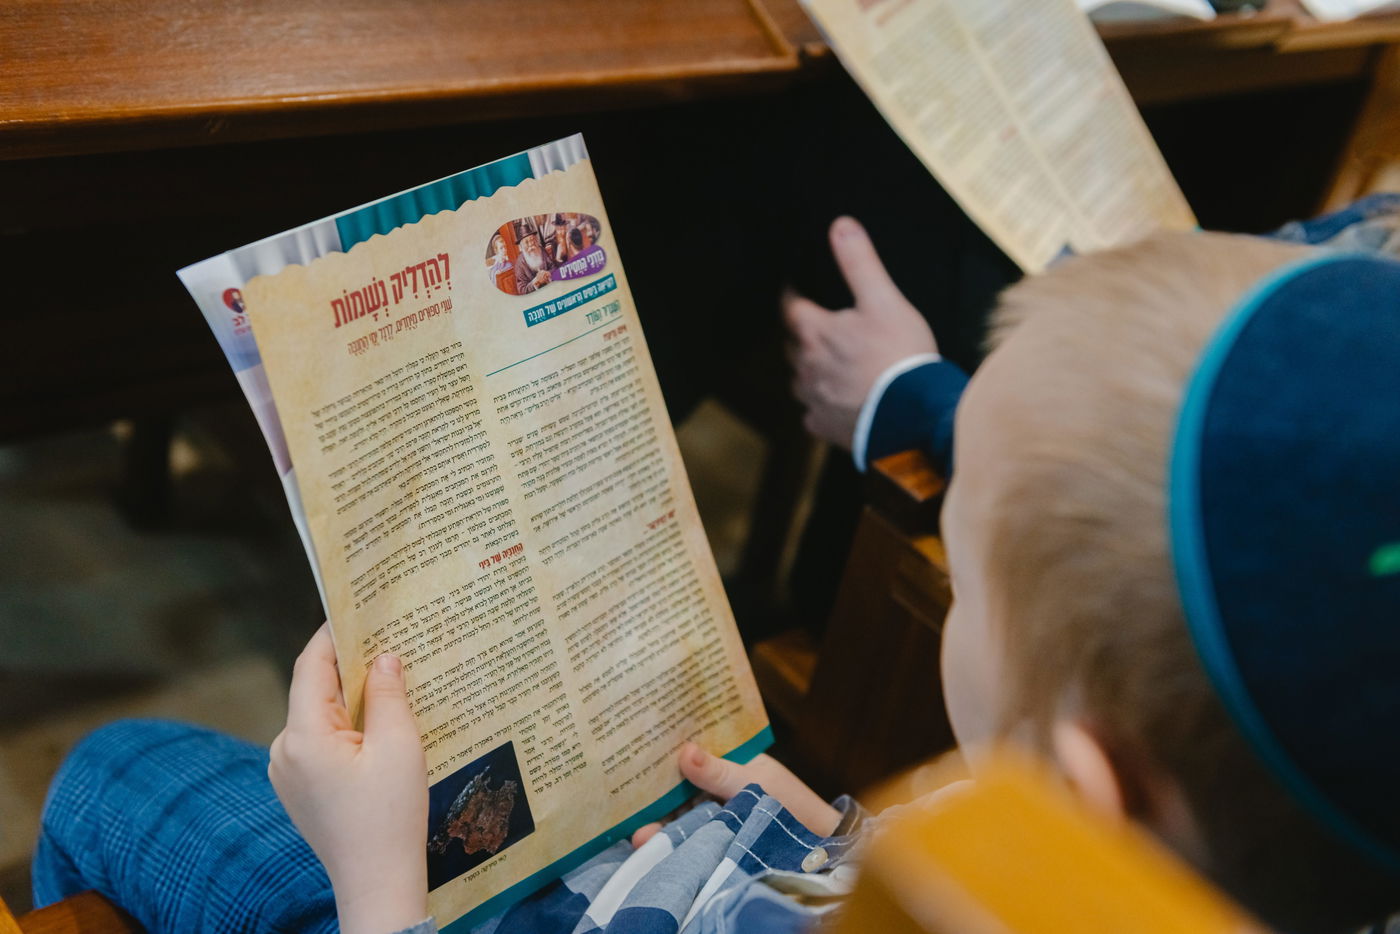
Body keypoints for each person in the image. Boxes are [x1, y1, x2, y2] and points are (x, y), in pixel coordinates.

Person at [33, 224, 1400, 933]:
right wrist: (843, 834)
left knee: (108, 772)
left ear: (1084, 791)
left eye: (962, 553)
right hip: (715, 855)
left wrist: (380, 886)